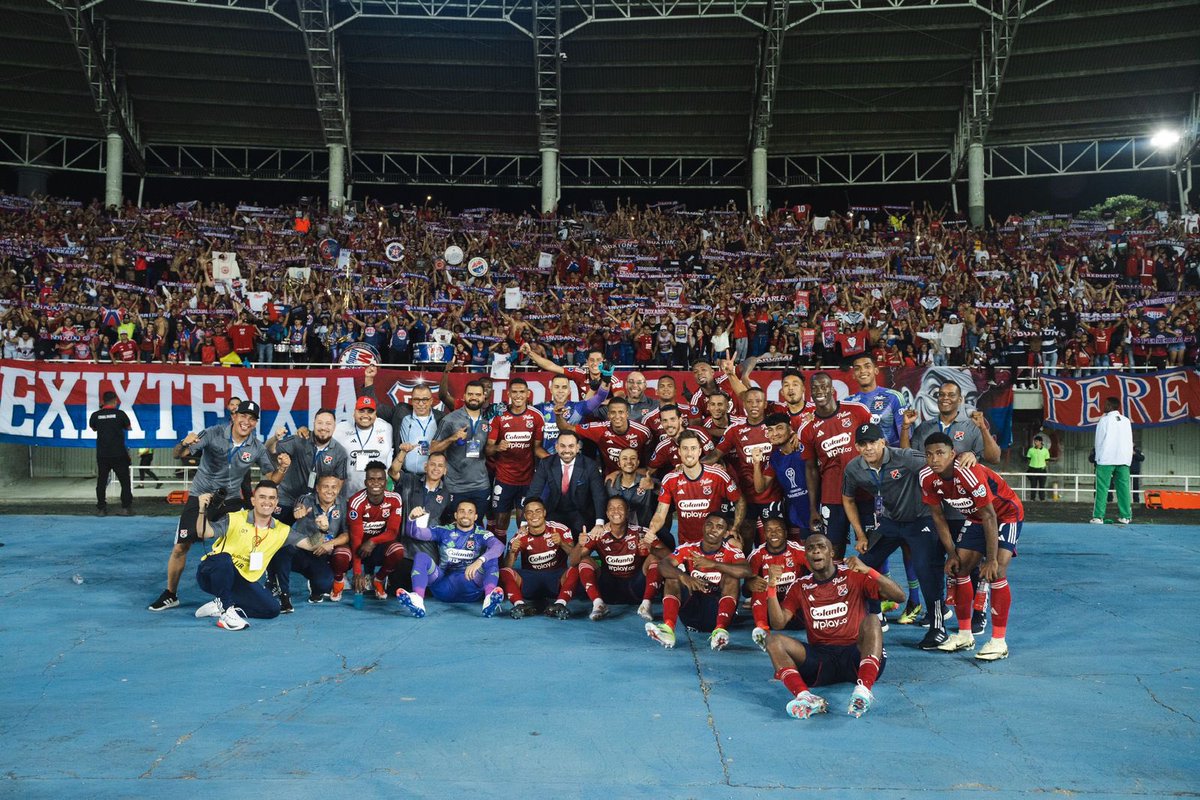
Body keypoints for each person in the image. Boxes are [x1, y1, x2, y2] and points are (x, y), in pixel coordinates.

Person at [149, 401, 288, 612]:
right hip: (201, 496)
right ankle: (170, 594)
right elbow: (180, 454)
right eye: (243, 416)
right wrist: (185, 443)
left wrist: (283, 469)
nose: (246, 422)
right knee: (181, 547)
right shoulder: (213, 433)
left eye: (252, 419)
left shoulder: (256, 447)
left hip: (230, 500)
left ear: (255, 423)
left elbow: (271, 478)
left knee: (250, 538)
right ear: (234, 416)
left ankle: (245, 587)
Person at [843, 422, 972, 649]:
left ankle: (938, 627)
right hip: (890, 524)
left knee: (926, 570)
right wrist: (861, 535)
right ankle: (869, 618)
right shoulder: (854, 469)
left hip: (920, 520)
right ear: (856, 447)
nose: (869, 448)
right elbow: (848, 499)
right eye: (863, 444)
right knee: (861, 565)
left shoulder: (905, 458)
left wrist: (967, 455)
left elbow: (939, 460)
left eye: (873, 442)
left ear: (882, 442)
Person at [763, 533, 906, 719]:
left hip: (857, 653)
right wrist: (771, 586)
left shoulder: (854, 575)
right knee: (773, 640)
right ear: (806, 557)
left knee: (872, 619)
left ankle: (863, 692)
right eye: (810, 548)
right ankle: (805, 697)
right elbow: (778, 623)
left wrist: (869, 570)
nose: (815, 550)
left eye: (821, 546)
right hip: (821, 659)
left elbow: (900, 597)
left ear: (831, 553)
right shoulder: (800, 586)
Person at [920, 432, 1023, 661]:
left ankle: (998, 641)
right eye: (929, 454)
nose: (934, 459)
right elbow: (938, 517)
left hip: (1005, 515)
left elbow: (990, 516)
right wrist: (951, 554)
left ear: (952, 454)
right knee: (960, 570)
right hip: (977, 518)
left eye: (940, 453)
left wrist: (991, 559)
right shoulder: (927, 477)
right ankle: (965, 634)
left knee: (996, 573)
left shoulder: (968, 472)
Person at [193, 480, 291, 631]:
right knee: (225, 558)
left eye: (272, 498)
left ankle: (223, 606)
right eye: (262, 497)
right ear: (253, 500)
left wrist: (322, 529)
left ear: (276, 502)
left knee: (272, 609)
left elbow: (312, 544)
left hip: (239, 580)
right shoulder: (234, 518)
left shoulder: (282, 529)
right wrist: (201, 510)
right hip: (211, 574)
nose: (267, 501)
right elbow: (203, 532)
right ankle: (226, 612)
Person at [644, 513, 746, 651]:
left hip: (716, 612)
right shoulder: (688, 548)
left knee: (732, 576)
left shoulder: (732, 552)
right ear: (703, 527)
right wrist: (684, 577)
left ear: (726, 533)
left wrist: (714, 564)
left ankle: (720, 631)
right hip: (691, 612)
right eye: (709, 524)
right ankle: (668, 629)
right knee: (673, 575)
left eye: (719, 527)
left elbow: (746, 570)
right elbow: (663, 565)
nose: (713, 529)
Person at [800, 373, 873, 558]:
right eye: (815, 388)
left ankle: (873, 586)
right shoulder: (808, 429)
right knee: (833, 550)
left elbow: (878, 446)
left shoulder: (858, 411)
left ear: (832, 390)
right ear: (810, 393)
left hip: (865, 493)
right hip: (832, 497)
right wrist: (813, 508)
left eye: (824, 386)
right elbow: (811, 470)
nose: (820, 391)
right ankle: (835, 585)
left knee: (872, 548)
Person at [396, 499, 506, 618]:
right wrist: (412, 519)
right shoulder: (443, 530)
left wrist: (480, 561)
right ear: (456, 515)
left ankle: (489, 599)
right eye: (462, 511)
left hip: (471, 585)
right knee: (421, 557)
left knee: (491, 559)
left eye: (470, 512)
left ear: (475, 516)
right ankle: (417, 600)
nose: (465, 515)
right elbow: (415, 533)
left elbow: (499, 546)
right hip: (443, 586)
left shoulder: (482, 533)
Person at [644, 430, 744, 549]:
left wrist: (735, 527)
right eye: (685, 448)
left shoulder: (717, 475)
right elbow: (660, 514)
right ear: (679, 452)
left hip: (715, 539)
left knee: (736, 545)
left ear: (699, 451)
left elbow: (740, 500)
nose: (689, 453)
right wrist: (652, 531)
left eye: (693, 448)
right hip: (687, 543)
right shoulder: (670, 479)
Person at [710, 386, 782, 548]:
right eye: (749, 402)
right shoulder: (735, 430)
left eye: (758, 401)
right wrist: (687, 466)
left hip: (772, 495)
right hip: (746, 496)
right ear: (744, 405)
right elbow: (715, 455)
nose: (754, 405)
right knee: (746, 538)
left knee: (773, 539)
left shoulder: (775, 429)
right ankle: (749, 572)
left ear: (765, 404)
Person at [570, 496, 658, 622]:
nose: (616, 512)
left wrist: (651, 548)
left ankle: (646, 605)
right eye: (611, 508)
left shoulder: (641, 532)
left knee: (655, 557)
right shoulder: (598, 534)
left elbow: (667, 555)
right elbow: (573, 562)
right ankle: (598, 604)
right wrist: (580, 544)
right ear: (606, 513)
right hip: (609, 589)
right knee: (585, 561)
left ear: (628, 512)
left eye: (620, 508)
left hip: (636, 587)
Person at [268, 474, 350, 607]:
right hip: (301, 550)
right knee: (283, 549)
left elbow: (347, 534)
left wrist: (330, 543)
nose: (330, 491)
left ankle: (316, 585)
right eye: (325, 487)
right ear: (317, 488)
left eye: (334, 487)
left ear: (339, 489)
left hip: (321, 552)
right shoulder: (306, 500)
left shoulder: (343, 505)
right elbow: (299, 506)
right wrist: (298, 511)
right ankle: (279, 587)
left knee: (324, 585)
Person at [485, 377, 548, 540]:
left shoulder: (536, 417)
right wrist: (498, 447)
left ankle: (522, 559)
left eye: (522, 392)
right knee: (500, 523)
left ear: (528, 394)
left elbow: (537, 449)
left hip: (527, 480)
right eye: (515, 392)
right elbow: (488, 449)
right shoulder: (499, 416)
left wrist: (554, 459)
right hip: (503, 479)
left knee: (524, 522)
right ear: (509, 394)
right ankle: (498, 563)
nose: (518, 395)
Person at [266, 409, 349, 523]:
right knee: (276, 536)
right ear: (313, 423)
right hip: (287, 499)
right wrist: (275, 438)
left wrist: (325, 507)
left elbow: (338, 485)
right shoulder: (299, 440)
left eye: (328, 424)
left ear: (334, 427)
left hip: (314, 505)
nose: (323, 427)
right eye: (320, 423)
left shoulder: (339, 453)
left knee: (307, 539)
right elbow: (270, 449)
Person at [500, 499, 578, 619]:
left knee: (574, 569)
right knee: (504, 572)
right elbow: (507, 567)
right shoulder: (520, 536)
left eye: (538, 511)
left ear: (544, 512)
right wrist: (512, 552)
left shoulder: (560, 529)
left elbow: (574, 558)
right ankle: (520, 605)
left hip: (555, 579)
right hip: (531, 580)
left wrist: (562, 543)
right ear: (525, 516)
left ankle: (560, 604)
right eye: (530, 512)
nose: (534, 515)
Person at [361, 364, 446, 473]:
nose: (421, 403)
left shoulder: (441, 419)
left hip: (431, 478)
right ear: (411, 400)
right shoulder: (401, 413)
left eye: (425, 400)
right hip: (404, 476)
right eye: (416, 399)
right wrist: (369, 379)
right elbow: (375, 407)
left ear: (431, 401)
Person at [431, 379, 493, 523]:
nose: (474, 397)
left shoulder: (488, 420)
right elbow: (433, 449)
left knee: (476, 527)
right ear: (464, 396)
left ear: (484, 397)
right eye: (470, 394)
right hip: (455, 486)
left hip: (481, 485)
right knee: (453, 527)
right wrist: (453, 437)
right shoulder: (450, 419)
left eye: (478, 395)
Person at [526, 430, 607, 538]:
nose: (567, 450)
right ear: (556, 447)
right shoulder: (546, 463)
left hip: (582, 514)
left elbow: (599, 495)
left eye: (571, 446)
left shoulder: (589, 465)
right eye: (563, 446)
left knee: (579, 548)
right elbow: (534, 492)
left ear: (578, 447)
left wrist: (599, 523)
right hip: (555, 512)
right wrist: (524, 523)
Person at [345, 461, 407, 603]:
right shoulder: (356, 502)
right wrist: (357, 573)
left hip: (378, 545)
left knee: (397, 550)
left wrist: (373, 541)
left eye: (380, 479)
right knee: (343, 554)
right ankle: (344, 578)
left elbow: (392, 532)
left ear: (386, 482)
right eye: (371, 479)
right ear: (365, 482)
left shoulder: (395, 499)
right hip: (360, 548)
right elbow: (356, 539)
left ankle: (378, 579)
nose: (376, 483)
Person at [558, 396, 653, 475]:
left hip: (636, 475)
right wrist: (558, 415)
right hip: (610, 478)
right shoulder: (600, 429)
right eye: (613, 412)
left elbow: (650, 465)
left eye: (621, 412)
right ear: (608, 415)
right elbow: (567, 429)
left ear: (627, 414)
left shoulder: (643, 432)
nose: (617, 416)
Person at [755, 413, 810, 541]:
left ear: (790, 429)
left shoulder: (804, 446)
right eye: (770, 430)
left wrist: (801, 435)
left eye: (779, 428)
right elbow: (760, 487)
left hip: (818, 508)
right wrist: (756, 463)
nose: (775, 433)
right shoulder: (775, 458)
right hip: (797, 516)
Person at [532, 373, 610, 456]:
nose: (560, 390)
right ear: (550, 389)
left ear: (569, 390)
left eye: (564, 387)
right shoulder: (539, 409)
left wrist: (607, 378)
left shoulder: (579, 407)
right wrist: (550, 460)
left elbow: (600, 397)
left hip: (574, 462)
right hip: (547, 462)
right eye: (556, 387)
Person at [333, 395, 394, 499]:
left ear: (375, 414)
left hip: (379, 496)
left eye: (370, 411)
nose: (365, 415)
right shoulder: (340, 429)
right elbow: (322, 440)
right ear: (354, 412)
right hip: (348, 496)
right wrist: (306, 432)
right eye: (361, 411)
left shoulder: (387, 428)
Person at [89, 391, 133, 517]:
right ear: (115, 401)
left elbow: (94, 428)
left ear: (103, 401)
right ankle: (126, 508)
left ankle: (101, 509)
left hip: (103, 454)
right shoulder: (120, 414)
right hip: (119, 453)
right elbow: (128, 428)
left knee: (101, 481)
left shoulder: (95, 415)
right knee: (124, 481)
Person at [1092, 397, 1133, 525]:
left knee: (1102, 489)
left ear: (1109, 406)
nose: (1103, 406)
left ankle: (1098, 517)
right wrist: (1128, 459)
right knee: (1124, 489)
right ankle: (1125, 516)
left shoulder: (1104, 420)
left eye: (1105, 404)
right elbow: (1129, 440)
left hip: (1106, 459)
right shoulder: (1126, 421)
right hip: (1123, 460)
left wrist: (1097, 458)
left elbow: (1099, 441)